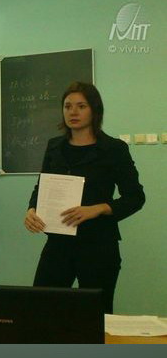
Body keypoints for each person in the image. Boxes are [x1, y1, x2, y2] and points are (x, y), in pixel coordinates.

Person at [24, 82, 145, 313]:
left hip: (98, 245)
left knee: (94, 314)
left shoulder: (114, 149)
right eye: (68, 106)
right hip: (58, 243)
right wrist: (31, 209)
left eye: (81, 106)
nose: (73, 112)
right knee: (41, 308)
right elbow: (42, 187)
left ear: (94, 110)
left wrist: (98, 208)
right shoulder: (54, 146)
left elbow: (135, 197)